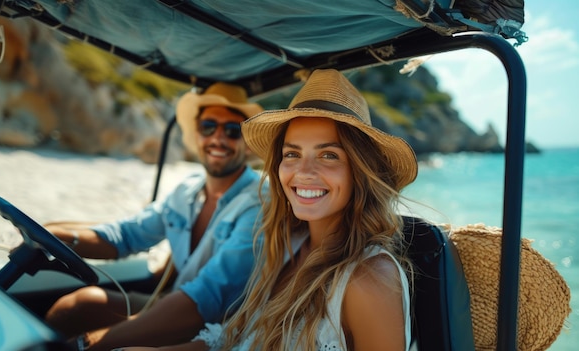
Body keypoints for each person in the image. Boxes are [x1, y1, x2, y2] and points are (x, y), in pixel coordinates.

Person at [118, 68, 419, 351]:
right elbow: (236, 336)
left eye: (328, 155)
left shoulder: (368, 278)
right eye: (292, 154)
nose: (304, 172)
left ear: (360, 170)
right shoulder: (283, 245)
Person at [43, 82, 265, 350]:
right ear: (197, 134)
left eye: (233, 131)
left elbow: (208, 296)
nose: (218, 138)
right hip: (172, 303)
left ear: (249, 143)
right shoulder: (188, 190)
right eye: (209, 127)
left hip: (216, 327)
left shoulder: (258, 203)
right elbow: (126, 235)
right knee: (76, 306)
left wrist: (93, 342)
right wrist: (62, 237)